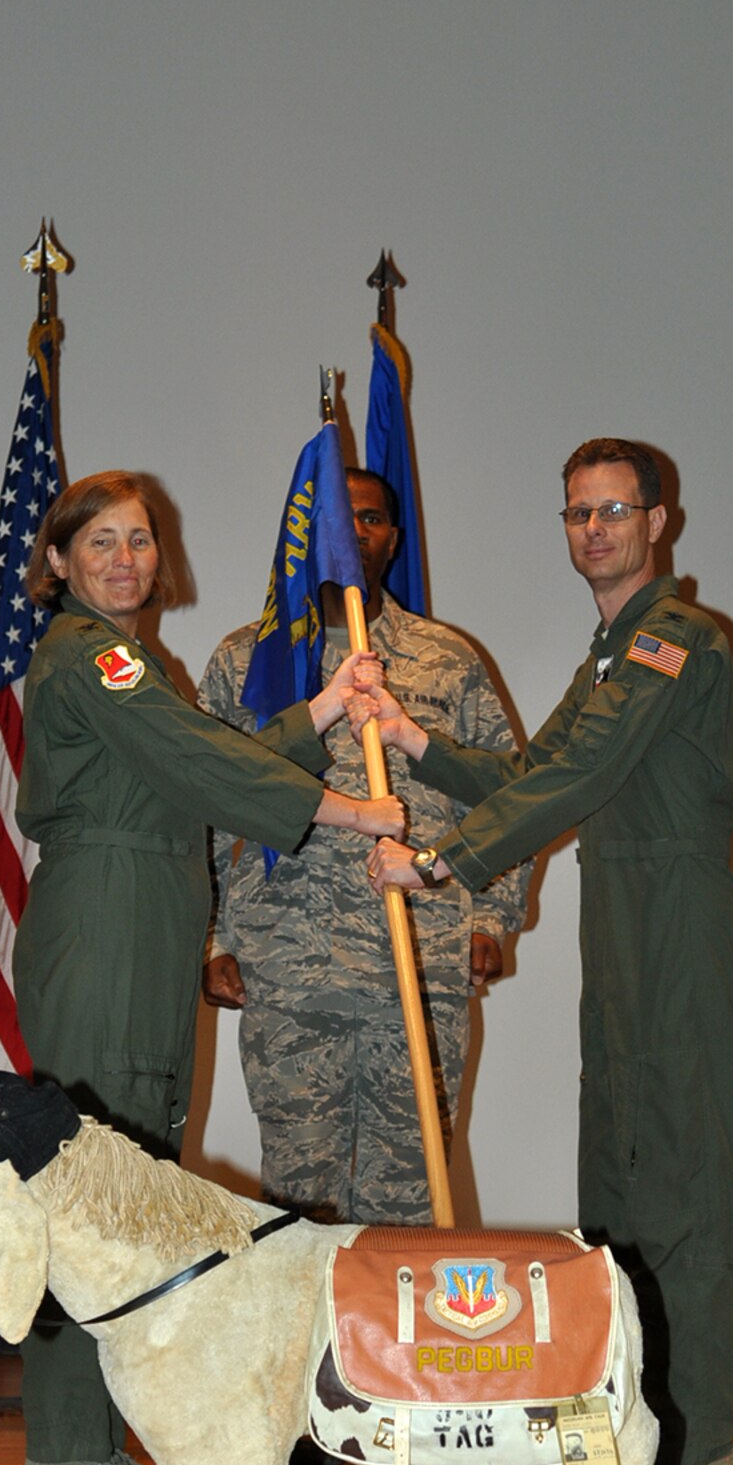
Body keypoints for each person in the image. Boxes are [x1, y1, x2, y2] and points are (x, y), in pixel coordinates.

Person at [362, 439, 733, 1465]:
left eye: (613, 510)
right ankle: (636, 1416)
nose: (593, 529)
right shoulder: (610, 652)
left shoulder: (676, 640)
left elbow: (578, 775)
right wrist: (418, 743)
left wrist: (442, 859)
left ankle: (703, 1442)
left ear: (658, 521)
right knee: (623, 1171)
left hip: (678, 913)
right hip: (627, 915)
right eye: (576, 513)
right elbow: (538, 768)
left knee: (685, 1176)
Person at [11, 470, 402, 1465]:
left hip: (135, 919)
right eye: (99, 541)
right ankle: (65, 1445)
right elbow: (198, 757)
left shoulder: (134, 661)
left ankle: (89, 1436)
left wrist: (323, 706)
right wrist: (349, 813)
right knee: (87, 1183)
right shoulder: (92, 653)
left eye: (138, 539)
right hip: (106, 921)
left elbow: (197, 758)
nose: (124, 558)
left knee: (126, 1174)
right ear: (56, 560)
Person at [198, 468, 529, 1224]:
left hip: (420, 959)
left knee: (411, 1202)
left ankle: (398, 1349)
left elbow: (510, 793)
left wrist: (492, 917)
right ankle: (314, 1351)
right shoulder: (249, 661)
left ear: (392, 537)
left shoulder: (448, 658)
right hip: (288, 971)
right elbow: (202, 806)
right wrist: (212, 935)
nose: (354, 535)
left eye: (371, 519)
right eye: (338, 520)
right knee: (298, 1201)